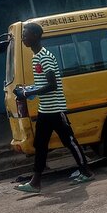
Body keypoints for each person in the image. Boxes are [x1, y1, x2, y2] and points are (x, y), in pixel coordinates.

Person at [14, 22, 93, 194]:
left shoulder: (45, 56)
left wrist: (28, 93)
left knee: (69, 141)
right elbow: (44, 83)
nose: (23, 38)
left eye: (25, 35)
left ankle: (86, 171)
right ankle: (35, 182)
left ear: (36, 36)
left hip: (56, 109)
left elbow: (52, 85)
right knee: (40, 145)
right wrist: (30, 89)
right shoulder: (36, 57)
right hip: (45, 110)